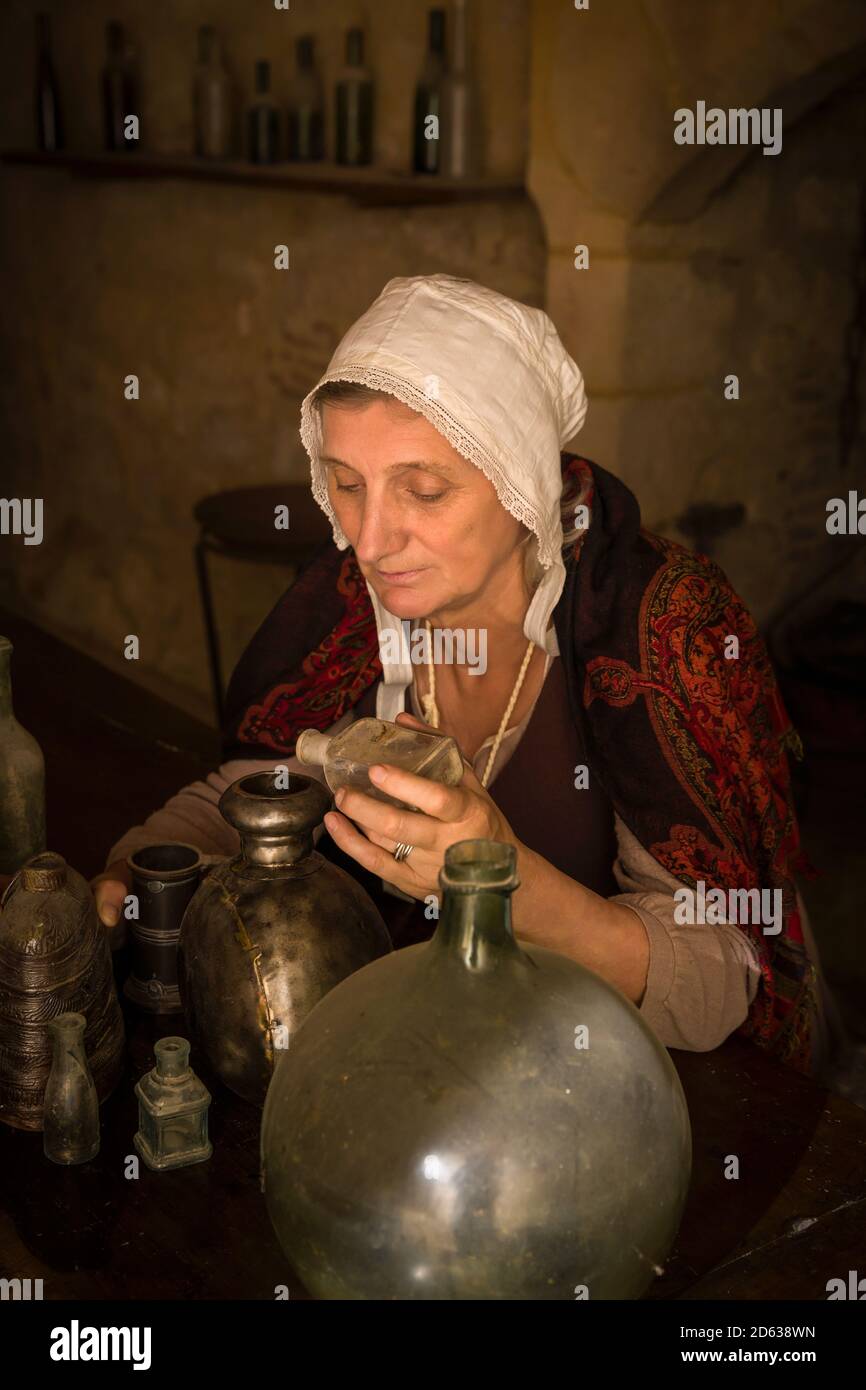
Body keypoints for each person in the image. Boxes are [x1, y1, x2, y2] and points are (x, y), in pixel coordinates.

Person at [94, 274, 827, 1077]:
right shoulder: (356, 604)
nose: (371, 541)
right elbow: (254, 792)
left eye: (426, 489)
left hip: (620, 1087)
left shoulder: (658, 628)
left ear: (521, 485)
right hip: (424, 1061)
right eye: (346, 484)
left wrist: (501, 878)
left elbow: (723, 981)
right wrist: (136, 869)